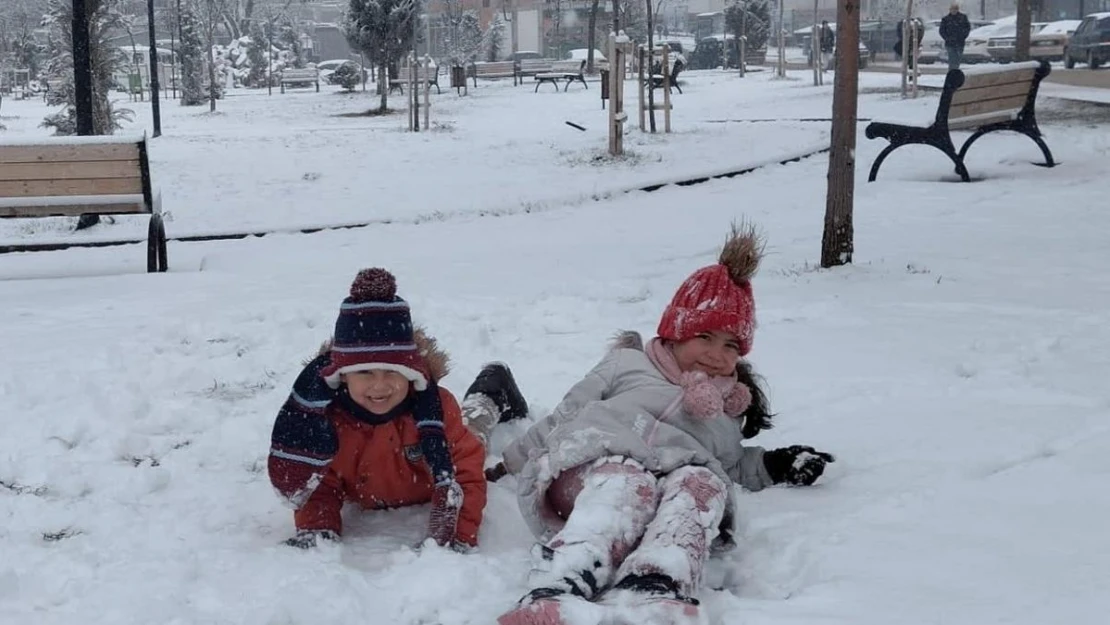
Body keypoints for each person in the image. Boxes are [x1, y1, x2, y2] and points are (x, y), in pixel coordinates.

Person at [490, 224, 835, 625]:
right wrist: (511, 462)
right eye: (705, 336)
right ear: (675, 332)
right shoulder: (627, 364)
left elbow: (732, 464)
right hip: (589, 473)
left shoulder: (722, 411)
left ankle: (658, 587)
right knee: (625, 480)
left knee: (704, 484)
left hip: (664, 495)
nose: (716, 354)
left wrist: (773, 465)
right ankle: (561, 583)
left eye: (731, 346)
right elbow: (566, 413)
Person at [266, 267, 528, 551]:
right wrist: (317, 528)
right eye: (364, 372)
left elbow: (465, 474)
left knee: (473, 434)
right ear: (342, 376)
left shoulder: (436, 409)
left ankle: (491, 389)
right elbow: (321, 484)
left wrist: (458, 535)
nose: (379, 386)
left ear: (411, 373)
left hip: (440, 443)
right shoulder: (326, 420)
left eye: (392, 372)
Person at [939, 3, 972, 70]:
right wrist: (947, 38)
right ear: (950, 10)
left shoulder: (963, 18)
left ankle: (955, 72)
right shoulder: (946, 19)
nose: (954, 10)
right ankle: (952, 73)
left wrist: (963, 36)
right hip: (950, 44)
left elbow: (967, 28)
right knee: (952, 60)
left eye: (955, 9)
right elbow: (941, 31)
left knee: (958, 60)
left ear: (958, 9)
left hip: (960, 43)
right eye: (952, 9)